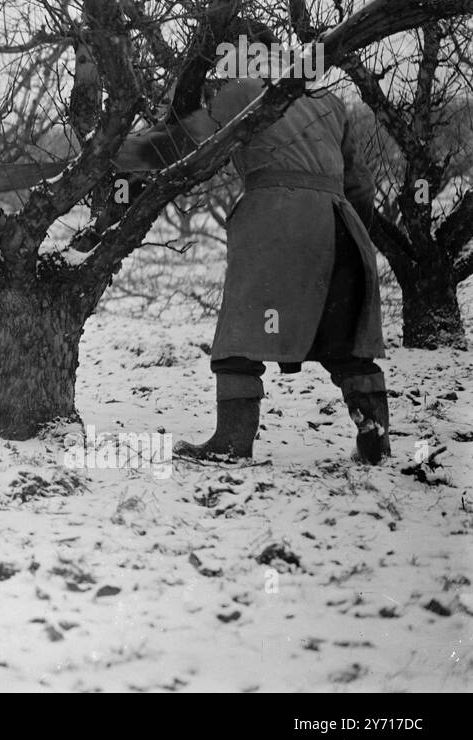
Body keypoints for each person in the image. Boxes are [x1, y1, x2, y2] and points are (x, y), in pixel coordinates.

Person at [115, 74, 390, 464]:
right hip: (341, 223)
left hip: (276, 221)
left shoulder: (244, 93)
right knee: (343, 338)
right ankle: (374, 436)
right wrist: (347, 232)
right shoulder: (328, 99)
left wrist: (116, 154)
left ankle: (232, 442)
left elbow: (186, 144)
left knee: (239, 340)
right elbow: (360, 184)